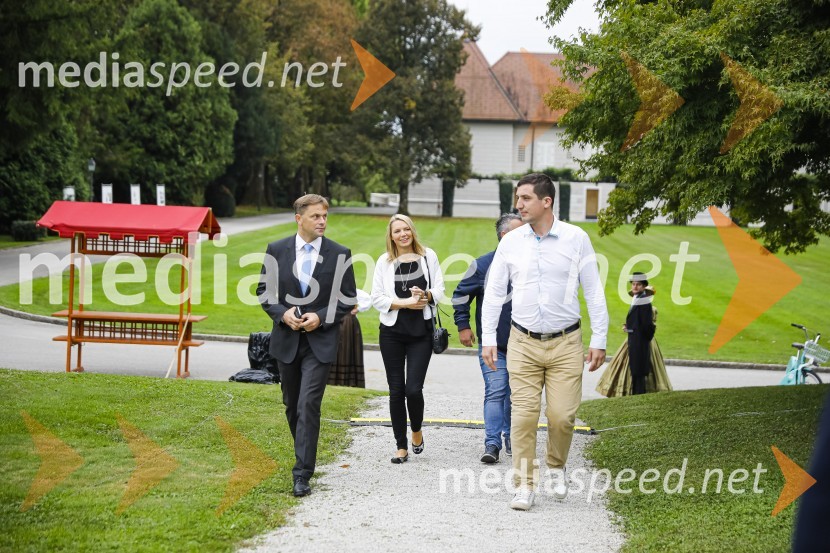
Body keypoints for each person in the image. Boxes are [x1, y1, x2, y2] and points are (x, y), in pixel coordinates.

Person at [482, 173, 609, 511]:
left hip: (566, 343)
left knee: (562, 417)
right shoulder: (511, 242)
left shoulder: (576, 238)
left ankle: (556, 466)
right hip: (522, 341)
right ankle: (524, 485)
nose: (518, 204)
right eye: (517, 198)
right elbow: (494, 292)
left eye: (524, 198)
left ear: (546, 201)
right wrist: (488, 338)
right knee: (522, 417)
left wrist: (599, 338)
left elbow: (594, 290)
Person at [256, 194, 356, 497]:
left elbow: (348, 298)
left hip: (320, 342)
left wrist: (322, 316)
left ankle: (302, 473)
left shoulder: (340, 253)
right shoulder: (276, 250)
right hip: (286, 341)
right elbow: (264, 291)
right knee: (292, 405)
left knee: (308, 404)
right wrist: (282, 313)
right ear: (299, 218)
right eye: (316, 216)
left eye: (325, 216)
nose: (322, 221)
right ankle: (304, 449)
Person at [371, 214, 445, 464]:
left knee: (413, 389)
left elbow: (440, 290)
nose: (402, 234)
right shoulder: (384, 261)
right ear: (390, 236)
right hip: (392, 333)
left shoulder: (428, 256)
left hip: (420, 333)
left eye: (406, 229)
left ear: (412, 231)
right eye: (397, 231)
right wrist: (406, 303)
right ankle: (400, 446)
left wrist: (424, 296)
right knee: (396, 390)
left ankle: (416, 431)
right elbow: (378, 298)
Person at [452, 213, 523, 464]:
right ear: (505, 236)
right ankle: (492, 443)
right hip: (494, 345)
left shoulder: (530, 265)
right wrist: (463, 325)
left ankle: (512, 437)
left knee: (515, 394)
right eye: (520, 230)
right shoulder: (483, 265)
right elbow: (460, 295)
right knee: (496, 390)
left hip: (526, 345)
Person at [596, 275, 673, 397]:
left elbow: (647, 326)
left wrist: (640, 336)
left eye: (638, 284)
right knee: (636, 369)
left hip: (640, 342)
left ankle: (638, 395)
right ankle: (635, 394)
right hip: (635, 339)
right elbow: (639, 321)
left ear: (643, 287)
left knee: (639, 369)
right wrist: (629, 327)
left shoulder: (645, 303)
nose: (635, 287)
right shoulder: (637, 300)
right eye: (633, 284)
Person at [328, 289, 371, 388]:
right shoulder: (330, 287)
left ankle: (348, 380)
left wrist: (358, 309)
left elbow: (368, 299)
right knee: (333, 350)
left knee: (346, 350)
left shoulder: (353, 290)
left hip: (348, 322)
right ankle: (331, 380)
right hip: (332, 321)